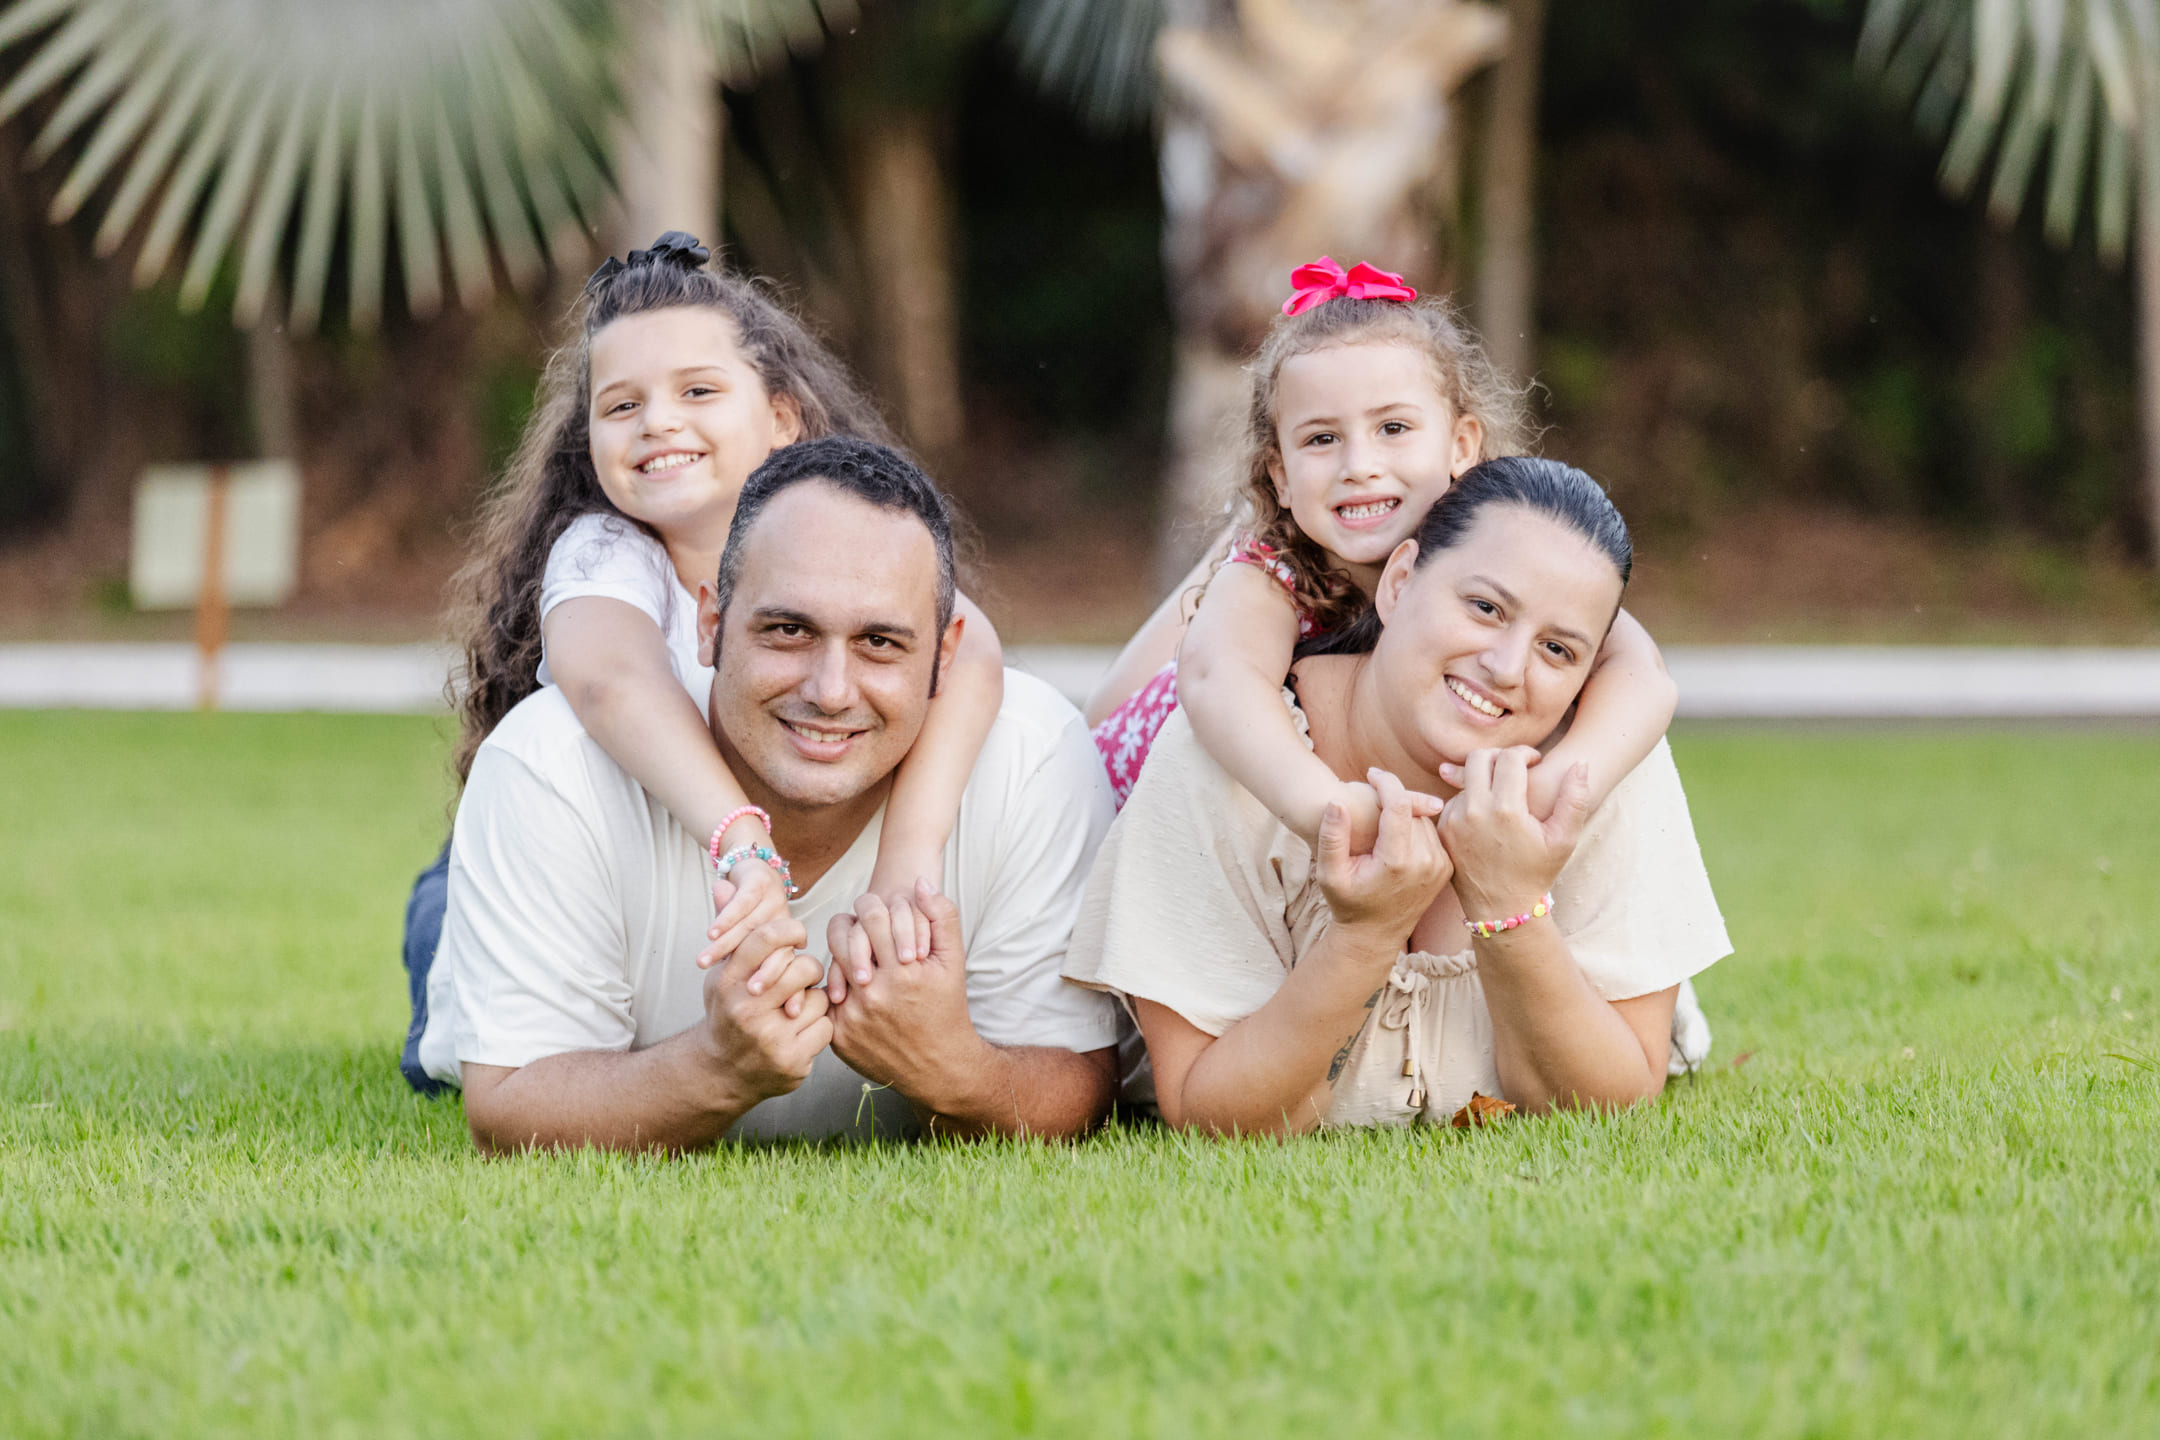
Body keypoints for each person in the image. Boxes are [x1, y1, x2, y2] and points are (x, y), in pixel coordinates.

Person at [399, 234, 1003, 1092]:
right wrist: (741, 838)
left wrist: (908, 856)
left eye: (697, 391)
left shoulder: (839, 540)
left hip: (701, 886)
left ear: (784, 419)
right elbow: (609, 678)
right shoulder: (605, 554)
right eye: (620, 406)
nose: (658, 422)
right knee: (450, 1002)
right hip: (563, 878)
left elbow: (970, 649)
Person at [416, 436, 1120, 1150]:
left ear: (946, 651)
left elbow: (1083, 1080)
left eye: (879, 642)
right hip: (489, 948)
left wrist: (956, 1070)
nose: (830, 691)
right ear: (711, 623)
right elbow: (506, 1103)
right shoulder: (551, 762)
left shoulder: (1033, 756)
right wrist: (713, 1068)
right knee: (436, 969)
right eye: (788, 630)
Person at [1065, 457, 1729, 1133]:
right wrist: (1365, 934)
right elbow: (1210, 1115)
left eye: (1557, 650)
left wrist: (1511, 906)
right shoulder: (1229, 762)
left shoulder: (1602, 762)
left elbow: (1607, 1103)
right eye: (1484, 608)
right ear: (1400, 580)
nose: (1505, 669)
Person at [1084, 257, 1676, 850]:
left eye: (1393, 428)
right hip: (1131, 824)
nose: (1359, 466)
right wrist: (1327, 809)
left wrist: (1560, 786)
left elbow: (1639, 672)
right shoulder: (1274, 572)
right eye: (1322, 439)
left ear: (1462, 443)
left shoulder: (1500, 548)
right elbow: (1220, 677)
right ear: (1281, 474)